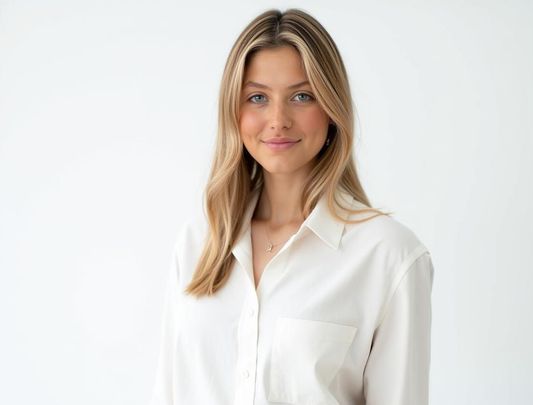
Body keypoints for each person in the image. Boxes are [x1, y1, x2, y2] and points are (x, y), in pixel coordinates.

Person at [150, 8, 435, 405]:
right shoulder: (200, 240)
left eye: (302, 96)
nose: (278, 119)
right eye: (258, 97)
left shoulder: (388, 255)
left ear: (333, 109)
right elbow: (169, 391)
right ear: (235, 110)